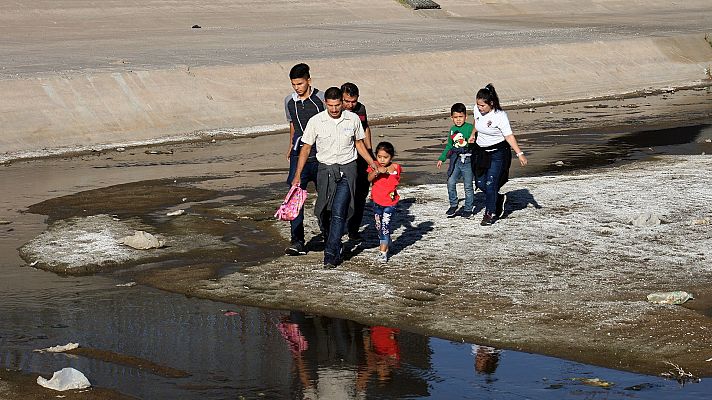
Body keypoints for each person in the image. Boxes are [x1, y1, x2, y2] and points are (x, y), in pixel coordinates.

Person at [291, 87, 377, 268]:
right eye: (330, 106)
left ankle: (330, 254)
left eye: (337, 105)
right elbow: (306, 148)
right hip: (325, 170)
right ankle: (333, 239)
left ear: (341, 103)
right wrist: (298, 174)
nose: (334, 109)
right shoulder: (316, 121)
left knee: (339, 211)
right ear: (325, 104)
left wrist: (372, 162)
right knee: (324, 211)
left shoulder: (352, 119)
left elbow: (359, 144)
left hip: (348, 169)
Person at [472, 83, 528, 226]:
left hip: (498, 153)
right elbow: (476, 122)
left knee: (491, 184)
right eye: (478, 105)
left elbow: (509, 136)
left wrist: (519, 153)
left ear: (491, 103)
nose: (479, 108)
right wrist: (473, 134)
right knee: (479, 182)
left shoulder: (500, 116)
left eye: (482, 106)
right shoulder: (477, 110)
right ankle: (498, 198)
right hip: (481, 152)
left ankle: (489, 213)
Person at [284, 63, 325, 256]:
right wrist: (290, 146)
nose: (297, 88)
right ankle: (297, 241)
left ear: (309, 80)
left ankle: (328, 233)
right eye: (294, 84)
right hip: (298, 154)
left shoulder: (321, 99)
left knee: (325, 196)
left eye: (300, 83)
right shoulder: (289, 101)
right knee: (295, 197)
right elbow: (293, 125)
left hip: (320, 155)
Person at [341, 82, 374, 241]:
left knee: (361, 194)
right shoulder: (336, 111)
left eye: (353, 101)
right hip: (344, 158)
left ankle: (353, 230)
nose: (350, 105)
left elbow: (366, 128)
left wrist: (370, 152)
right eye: (347, 101)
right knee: (344, 194)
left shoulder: (361, 109)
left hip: (362, 156)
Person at [436, 103, 475, 218]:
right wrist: (441, 158)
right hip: (456, 161)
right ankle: (453, 204)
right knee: (451, 182)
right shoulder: (452, 130)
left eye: (460, 117)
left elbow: (475, 141)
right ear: (451, 118)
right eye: (456, 117)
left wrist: (472, 141)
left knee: (468, 186)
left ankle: (468, 208)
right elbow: (449, 146)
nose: (458, 120)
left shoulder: (469, 128)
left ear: (466, 116)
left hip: (468, 161)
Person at [367, 142, 401, 263]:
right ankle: (386, 241)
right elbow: (368, 178)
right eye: (379, 156)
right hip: (376, 202)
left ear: (391, 157)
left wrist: (387, 171)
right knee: (379, 227)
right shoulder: (374, 166)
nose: (382, 160)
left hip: (390, 204)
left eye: (385, 157)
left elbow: (395, 179)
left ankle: (383, 253)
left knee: (386, 227)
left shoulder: (396, 167)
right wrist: (377, 171)